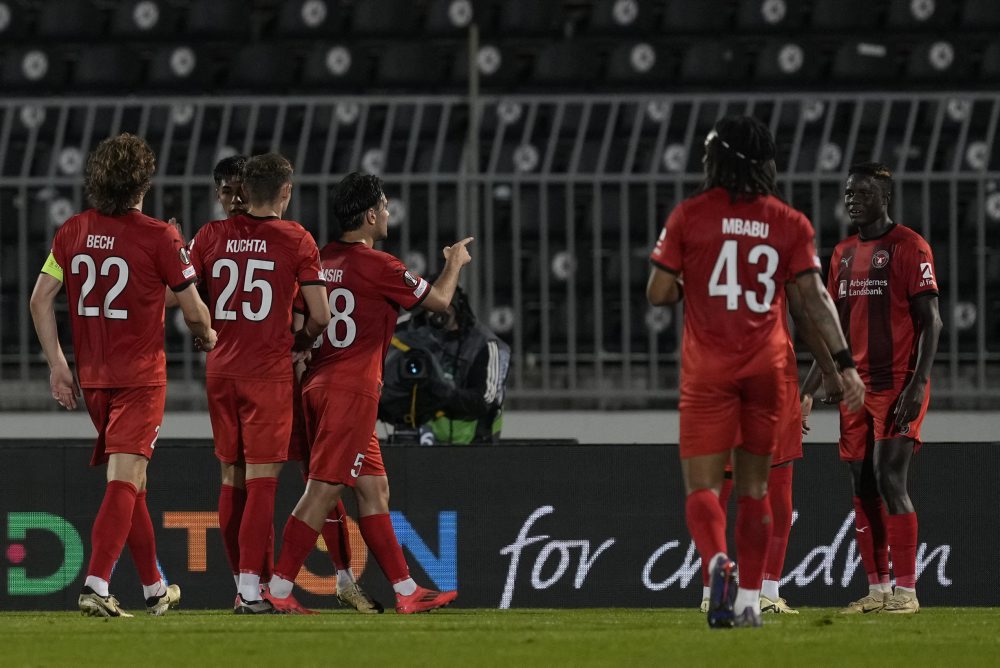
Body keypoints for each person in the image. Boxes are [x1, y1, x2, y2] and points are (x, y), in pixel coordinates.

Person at [646, 115, 865, 629]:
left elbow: (658, 292)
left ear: (716, 159)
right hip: (768, 369)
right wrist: (846, 366)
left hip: (708, 370)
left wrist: (688, 283)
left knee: (704, 487)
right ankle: (749, 600)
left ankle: (715, 566)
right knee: (757, 491)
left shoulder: (689, 215)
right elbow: (814, 300)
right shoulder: (789, 222)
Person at [29, 132, 216, 617]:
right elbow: (193, 312)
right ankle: (96, 582)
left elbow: (39, 299)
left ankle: (154, 586)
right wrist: (208, 336)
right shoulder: (159, 235)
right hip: (139, 379)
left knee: (134, 482)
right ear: (144, 182)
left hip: (93, 379)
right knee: (125, 478)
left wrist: (57, 364)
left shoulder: (70, 231)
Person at [267, 172, 470, 614]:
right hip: (352, 392)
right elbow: (439, 302)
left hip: (317, 385)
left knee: (374, 489)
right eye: (384, 206)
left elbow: (300, 324)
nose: (389, 213)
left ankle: (405, 591)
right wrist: (453, 262)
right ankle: (278, 590)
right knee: (321, 492)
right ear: (371, 214)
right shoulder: (380, 266)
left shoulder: (317, 260)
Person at [188, 152, 331, 614]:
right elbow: (321, 315)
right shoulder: (297, 239)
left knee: (231, 478)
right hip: (266, 373)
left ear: (244, 190)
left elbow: (179, 291)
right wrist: (299, 341)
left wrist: (203, 330)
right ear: (285, 192)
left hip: (220, 370)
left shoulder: (210, 236)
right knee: (263, 481)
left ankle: (242, 585)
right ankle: (253, 593)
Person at [802, 162, 941, 615]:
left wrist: (918, 383)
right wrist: (808, 389)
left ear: (885, 196)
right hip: (853, 390)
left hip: (897, 384)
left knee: (888, 477)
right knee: (861, 485)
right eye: (847, 192)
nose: (851, 199)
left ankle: (908, 592)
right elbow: (830, 327)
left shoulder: (909, 246)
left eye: (862, 192)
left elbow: (931, 321)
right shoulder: (841, 253)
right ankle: (878, 591)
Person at [696, 285, 845, 615]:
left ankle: (712, 590)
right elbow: (804, 313)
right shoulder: (781, 241)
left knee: (719, 485)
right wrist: (830, 370)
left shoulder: (708, 246)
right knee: (776, 486)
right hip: (771, 373)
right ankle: (765, 591)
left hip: (721, 374)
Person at [383, 283, 511, 444]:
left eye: (441, 301)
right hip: (421, 442)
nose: (435, 309)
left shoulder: (485, 344)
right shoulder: (406, 336)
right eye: (430, 303)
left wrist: (442, 391)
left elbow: (484, 401)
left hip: (473, 445)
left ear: (457, 305)